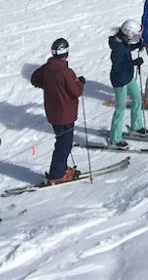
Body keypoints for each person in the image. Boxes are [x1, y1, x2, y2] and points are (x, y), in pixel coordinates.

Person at [28, 39, 86, 185]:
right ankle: (56, 174)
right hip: (65, 114)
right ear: (66, 53)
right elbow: (76, 91)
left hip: (53, 113)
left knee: (62, 142)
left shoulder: (47, 68)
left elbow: (35, 79)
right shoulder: (66, 72)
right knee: (64, 145)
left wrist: (48, 86)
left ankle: (61, 168)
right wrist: (80, 82)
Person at [106, 21, 148, 147]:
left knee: (137, 98)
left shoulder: (122, 41)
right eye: (134, 35)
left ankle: (136, 126)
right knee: (120, 108)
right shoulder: (118, 48)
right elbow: (119, 67)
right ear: (128, 33)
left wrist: (135, 46)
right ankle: (115, 139)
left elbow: (126, 49)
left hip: (128, 76)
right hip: (120, 80)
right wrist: (133, 63)